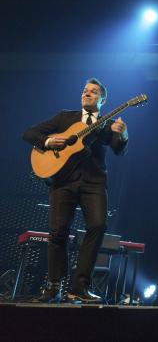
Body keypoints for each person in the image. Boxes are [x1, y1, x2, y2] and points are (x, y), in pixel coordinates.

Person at [23, 78, 128, 303]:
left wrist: (122, 134)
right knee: (58, 232)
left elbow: (118, 149)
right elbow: (30, 133)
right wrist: (50, 142)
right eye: (84, 90)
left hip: (94, 183)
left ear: (103, 100)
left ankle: (79, 286)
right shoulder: (65, 117)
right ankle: (53, 286)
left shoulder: (106, 124)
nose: (87, 94)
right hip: (63, 181)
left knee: (98, 226)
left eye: (93, 92)